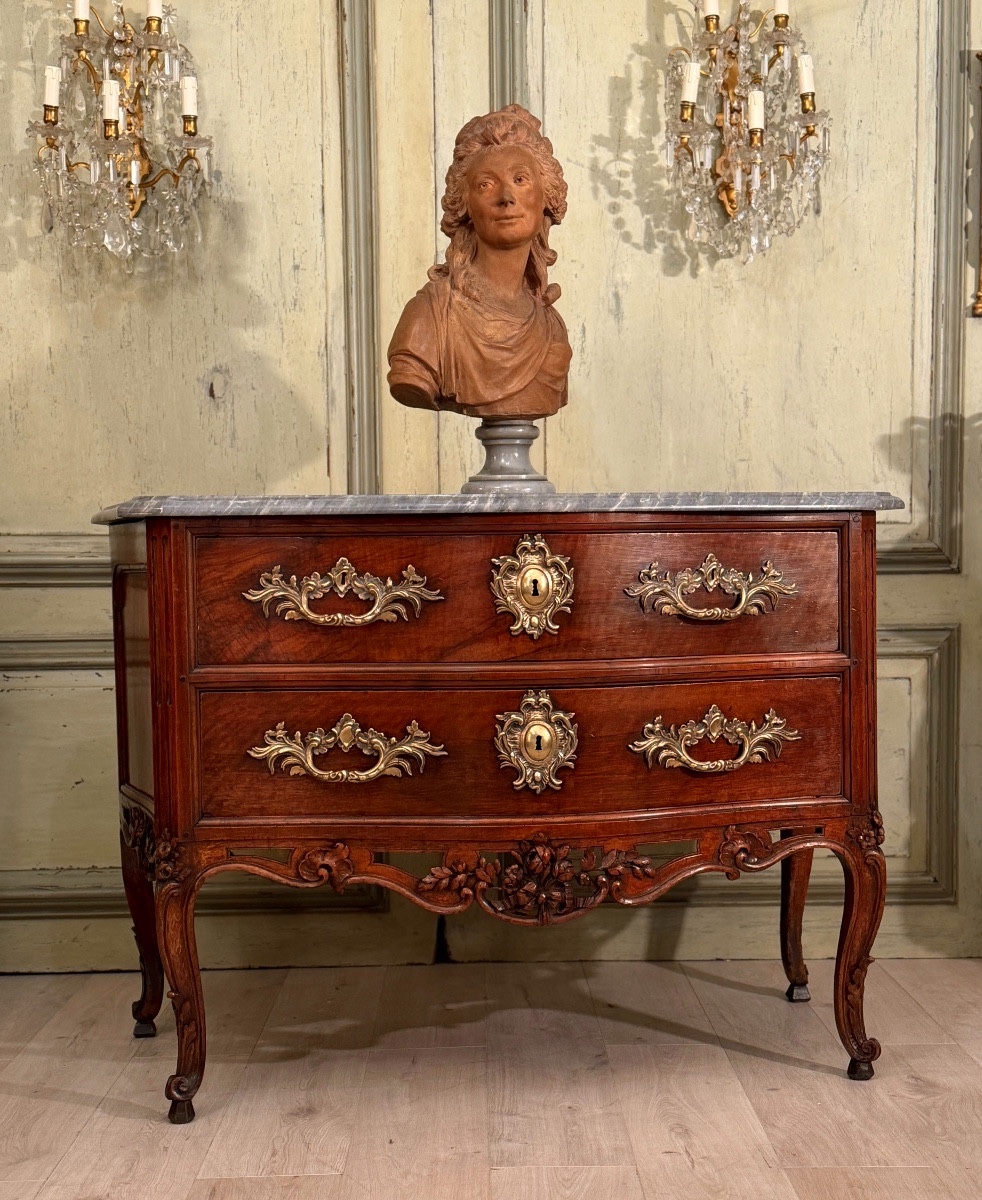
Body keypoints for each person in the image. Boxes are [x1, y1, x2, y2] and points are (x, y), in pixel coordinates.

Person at [387, 105, 571, 420]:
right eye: (485, 184)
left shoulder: (552, 329)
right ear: (465, 206)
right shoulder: (430, 317)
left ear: (546, 197)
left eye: (520, 179)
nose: (506, 197)